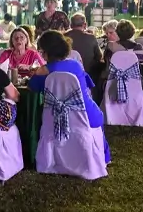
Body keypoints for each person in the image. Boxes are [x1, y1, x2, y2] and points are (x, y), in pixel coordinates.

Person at [28, 30, 110, 164]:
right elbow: (88, 85)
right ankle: (104, 157)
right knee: (95, 113)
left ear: (45, 51)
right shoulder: (76, 65)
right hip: (87, 116)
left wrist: (38, 71)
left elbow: (32, 87)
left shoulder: (43, 72)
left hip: (56, 118)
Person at [64, 13, 103, 80]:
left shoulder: (63, 37)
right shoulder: (91, 37)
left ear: (71, 25)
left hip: (67, 73)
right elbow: (99, 56)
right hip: (87, 74)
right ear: (85, 25)